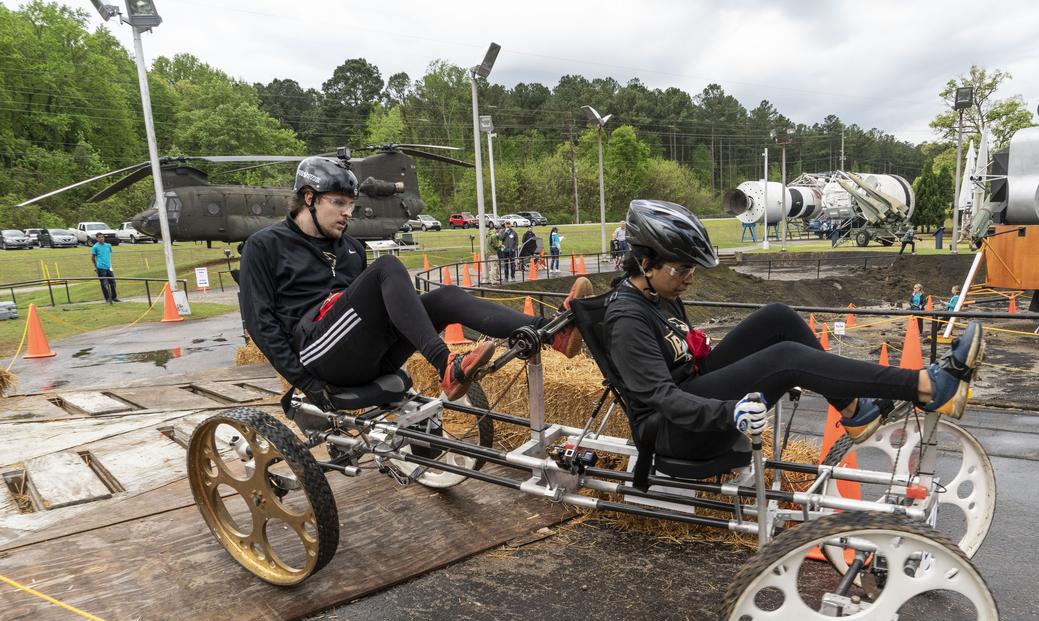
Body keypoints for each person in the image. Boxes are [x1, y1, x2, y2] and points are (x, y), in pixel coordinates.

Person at [604, 199, 983, 461]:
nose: (689, 279)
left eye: (693, 270)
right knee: (786, 360)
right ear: (645, 261)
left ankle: (854, 409)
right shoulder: (627, 321)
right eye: (682, 270)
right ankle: (926, 386)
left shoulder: (661, 292)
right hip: (676, 431)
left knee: (778, 316)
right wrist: (730, 410)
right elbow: (664, 399)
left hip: (695, 394)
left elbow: (690, 359)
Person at [239, 156, 592, 410]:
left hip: (365, 353)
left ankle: (551, 332)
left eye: (352, 205)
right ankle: (446, 366)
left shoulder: (349, 248)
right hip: (317, 354)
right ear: (309, 198)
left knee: (445, 297)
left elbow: (376, 311)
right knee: (389, 266)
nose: (348, 212)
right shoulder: (265, 245)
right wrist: (307, 383)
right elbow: (260, 323)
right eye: (339, 203)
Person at [90, 234, 119, 303]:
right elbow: (92, 258)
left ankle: (114, 297)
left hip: (108, 267)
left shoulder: (108, 245)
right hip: (100, 268)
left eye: (102, 237)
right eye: (99, 237)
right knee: (104, 284)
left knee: (113, 282)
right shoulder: (95, 247)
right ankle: (107, 299)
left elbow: (108, 255)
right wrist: (96, 266)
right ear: (97, 239)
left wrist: (110, 265)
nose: (101, 238)